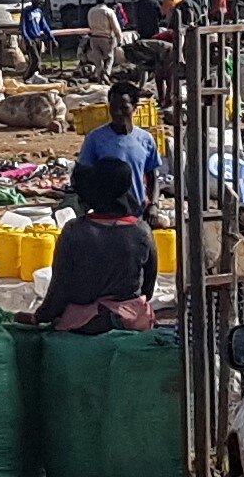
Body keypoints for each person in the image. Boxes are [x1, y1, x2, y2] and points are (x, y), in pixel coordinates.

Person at [32, 159, 158, 335]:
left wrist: (39, 318)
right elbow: (148, 288)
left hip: (85, 323)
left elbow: (60, 289)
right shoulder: (142, 231)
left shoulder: (74, 231)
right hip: (132, 321)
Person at [79, 83, 164, 211]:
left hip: (136, 213)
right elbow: (82, 175)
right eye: (113, 107)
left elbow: (152, 178)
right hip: (106, 214)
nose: (118, 112)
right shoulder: (95, 139)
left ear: (134, 107)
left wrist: (154, 204)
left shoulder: (146, 139)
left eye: (124, 108)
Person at [86, 0, 124, 81]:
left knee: (98, 59)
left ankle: (99, 75)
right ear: (105, 3)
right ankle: (106, 73)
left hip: (94, 37)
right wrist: (119, 39)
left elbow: (89, 24)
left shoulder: (91, 11)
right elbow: (115, 26)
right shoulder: (108, 11)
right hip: (106, 38)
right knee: (110, 57)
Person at [20, 0, 55, 78]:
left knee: (39, 61)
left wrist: (52, 39)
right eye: (38, 3)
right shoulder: (26, 11)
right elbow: (23, 27)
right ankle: (26, 77)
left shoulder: (39, 12)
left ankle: (36, 76)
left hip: (38, 38)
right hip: (30, 39)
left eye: (41, 4)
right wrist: (27, 39)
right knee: (35, 59)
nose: (39, 5)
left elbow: (44, 26)